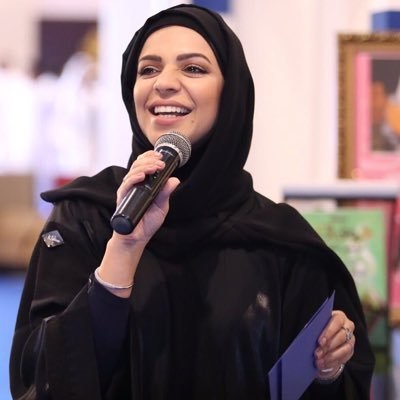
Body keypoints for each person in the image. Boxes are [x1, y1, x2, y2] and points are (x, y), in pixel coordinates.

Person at [9, 4, 374, 400]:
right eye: (148, 69)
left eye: (194, 68)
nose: (164, 83)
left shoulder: (281, 242)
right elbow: (40, 378)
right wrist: (122, 251)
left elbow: (321, 386)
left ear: (230, 93)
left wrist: (327, 368)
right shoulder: (84, 218)